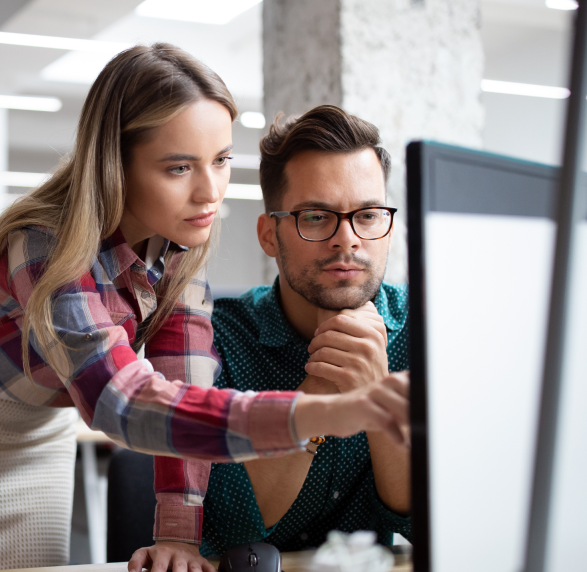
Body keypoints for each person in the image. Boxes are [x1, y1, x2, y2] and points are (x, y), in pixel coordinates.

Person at [0, 45, 411, 572]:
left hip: (39, 427)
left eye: (221, 161)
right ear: (117, 165)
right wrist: (320, 413)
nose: (210, 193)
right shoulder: (45, 244)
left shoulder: (183, 237)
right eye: (179, 168)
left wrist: (177, 536)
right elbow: (123, 403)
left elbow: (185, 387)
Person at [132, 105, 412, 572]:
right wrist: (320, 392)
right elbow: (225, 531)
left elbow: (438, 524)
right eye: (317, 217)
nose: (348, 240)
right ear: (269, 234)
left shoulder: (428, 331)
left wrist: (374, 392)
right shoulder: (212, 339)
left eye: (367, 215)